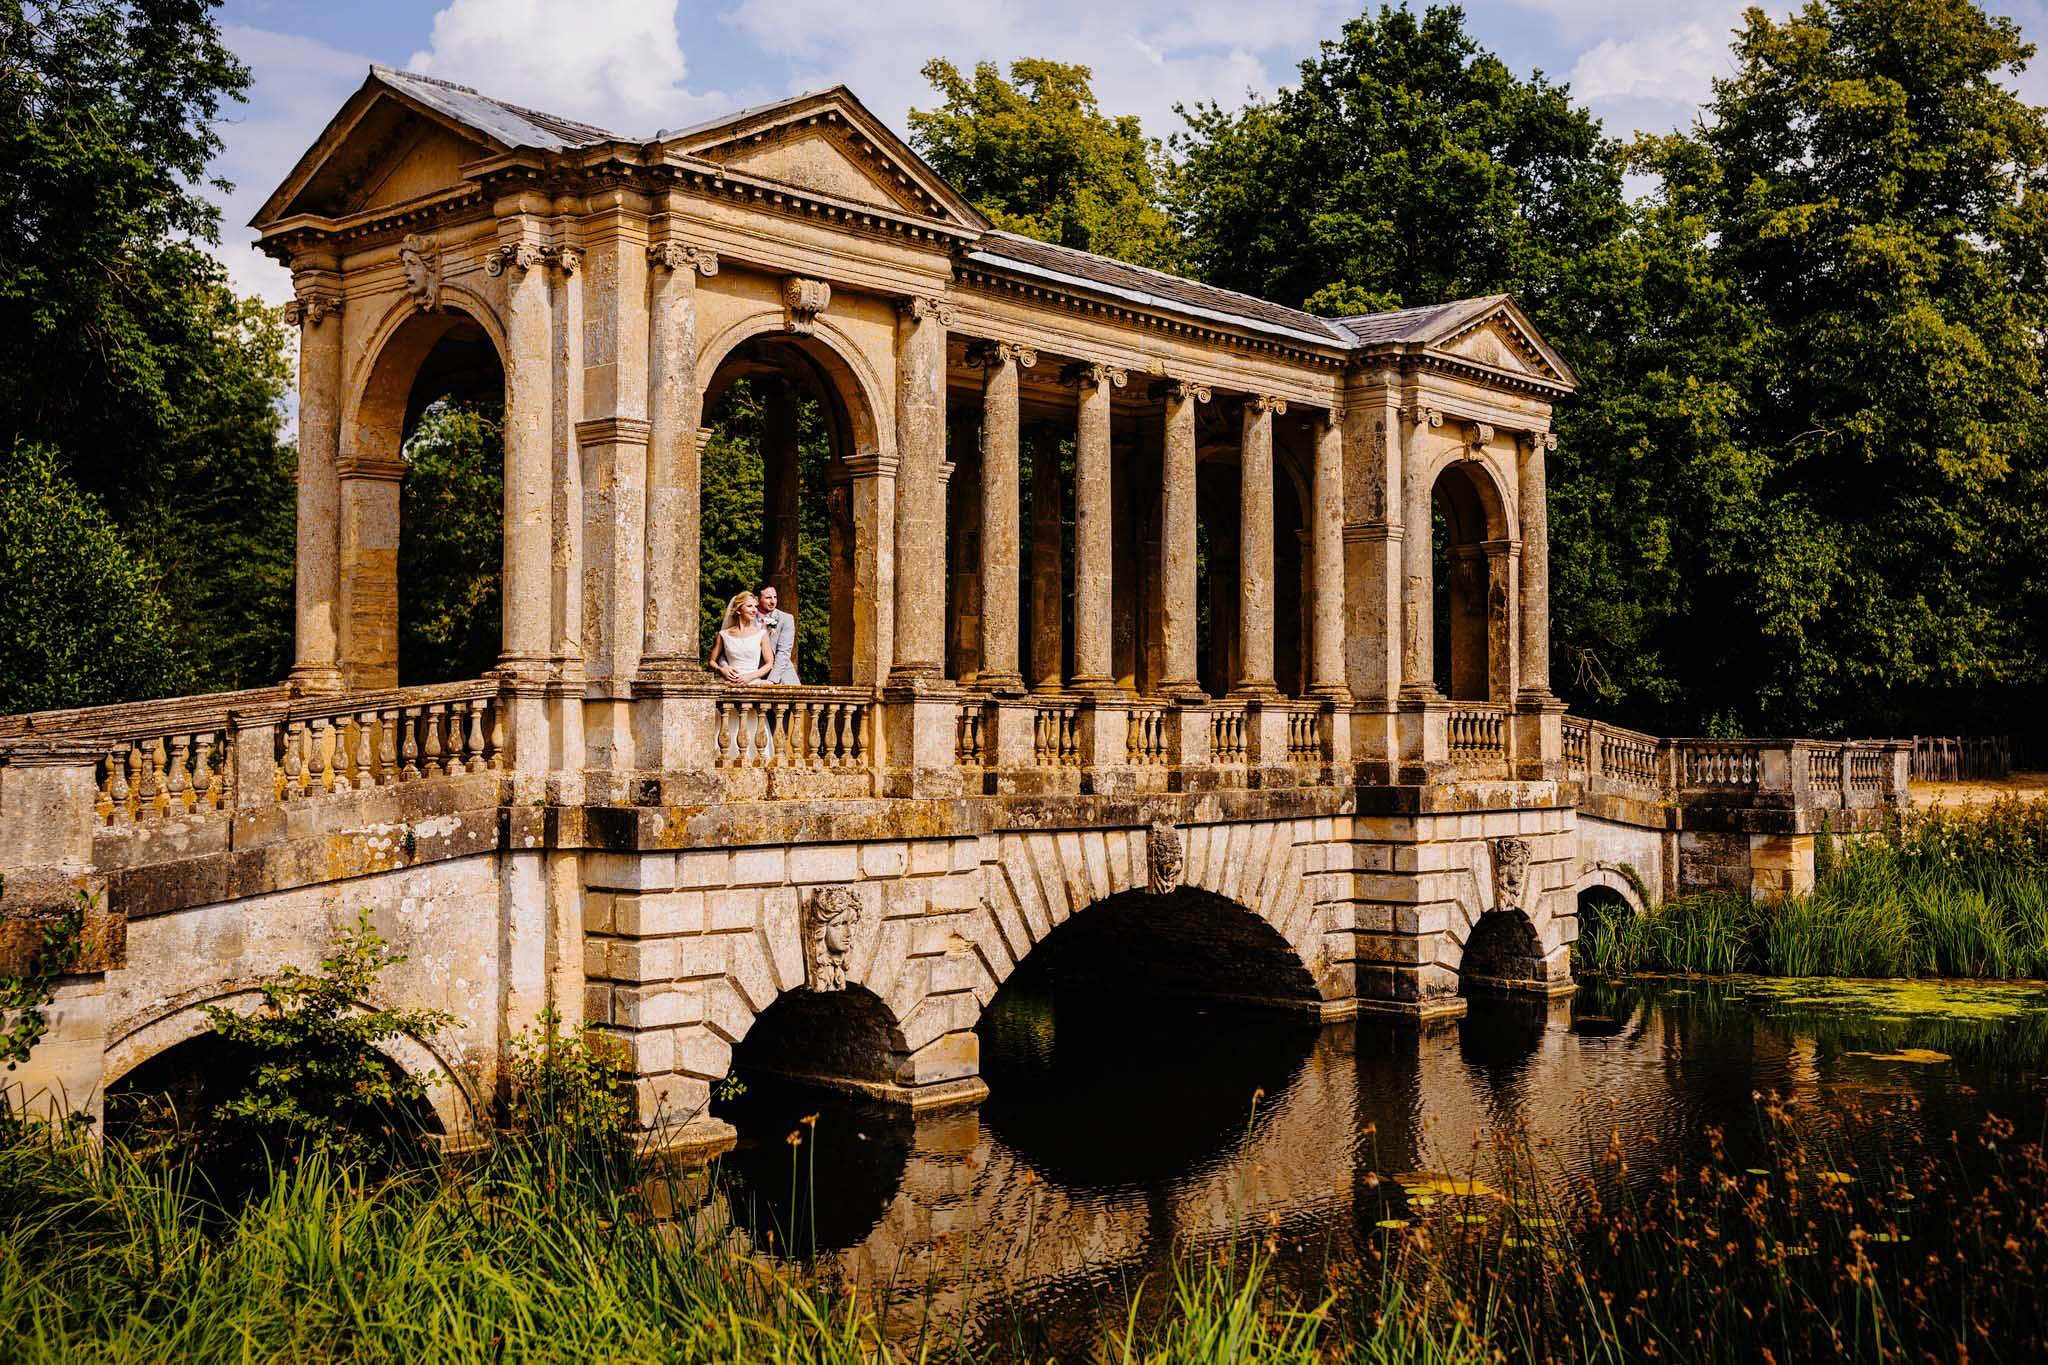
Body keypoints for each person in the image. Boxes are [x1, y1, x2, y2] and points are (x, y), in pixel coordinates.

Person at [709, 591, 773, 684]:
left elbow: (769, 663)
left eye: (755, 606)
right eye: (749, 606)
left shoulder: (761, 634)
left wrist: (750, 677)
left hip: (753, 682)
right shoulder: (724, 634)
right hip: (729, 682)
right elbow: (712, 661)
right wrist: (721, 670)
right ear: (738, 610)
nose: (754, 610)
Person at [757, 582, 799, 684]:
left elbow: (784, 653)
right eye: (768, 598)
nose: (773, 601)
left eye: (775, 597)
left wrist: (771, 680)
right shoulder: (748, 618)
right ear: (757, 599)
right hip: (753, 674)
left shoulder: (786, 619)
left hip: (782, 677)